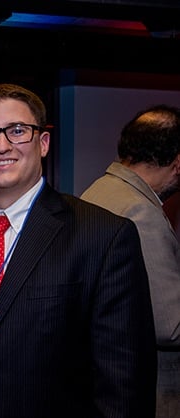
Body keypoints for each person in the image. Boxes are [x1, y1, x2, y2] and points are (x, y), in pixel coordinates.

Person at [0, 83, 158, 418]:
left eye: (17, 130)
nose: (1, 145)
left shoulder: (103, 236)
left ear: (43, 143)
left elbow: (124, 384)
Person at [81, 104, 180, 418]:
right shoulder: (140, 212)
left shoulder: (98, 192)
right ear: (178, 162)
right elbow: (171, 326)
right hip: (151, 392)